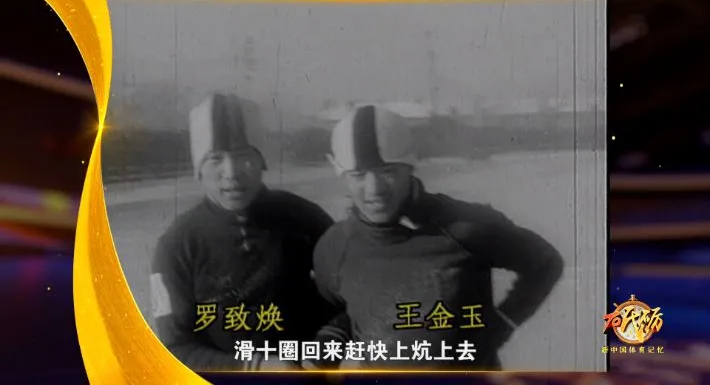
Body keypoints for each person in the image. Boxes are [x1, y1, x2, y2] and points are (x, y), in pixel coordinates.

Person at [311, 105, 564, 370]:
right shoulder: (335, 246)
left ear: (410, 166)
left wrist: (502, 324)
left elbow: (546, 262)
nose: (374, 190)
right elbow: (339, 311)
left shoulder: (465, 225)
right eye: (358, 175)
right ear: (340, 174)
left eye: (389, 172)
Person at [151, 92, 336, 371]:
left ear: (262, 160)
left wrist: (325, 348)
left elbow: (353, 300)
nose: (231, 172)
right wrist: (255, 367)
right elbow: (175, 346)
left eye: (243, 156)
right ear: (198, 168)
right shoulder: (176, 246)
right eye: (215, 159)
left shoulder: (306, 219)